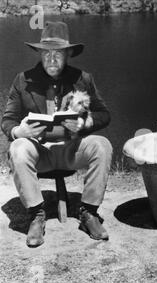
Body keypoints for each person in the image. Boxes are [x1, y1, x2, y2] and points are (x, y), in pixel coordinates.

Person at [1, 21, 113, 247]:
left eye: (58, 54)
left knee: (102, 145)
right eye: (47, 53)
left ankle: (88, 212)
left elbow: (104, 114)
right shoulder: (23, 80)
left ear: (68, 54)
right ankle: (37, 215)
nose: (52, 59)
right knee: (17, 147)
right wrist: (19, 131)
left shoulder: (82, 78)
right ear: (40, 53)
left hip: (72, 150)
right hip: (39, 152)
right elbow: (8, 120)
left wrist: (83, 123)